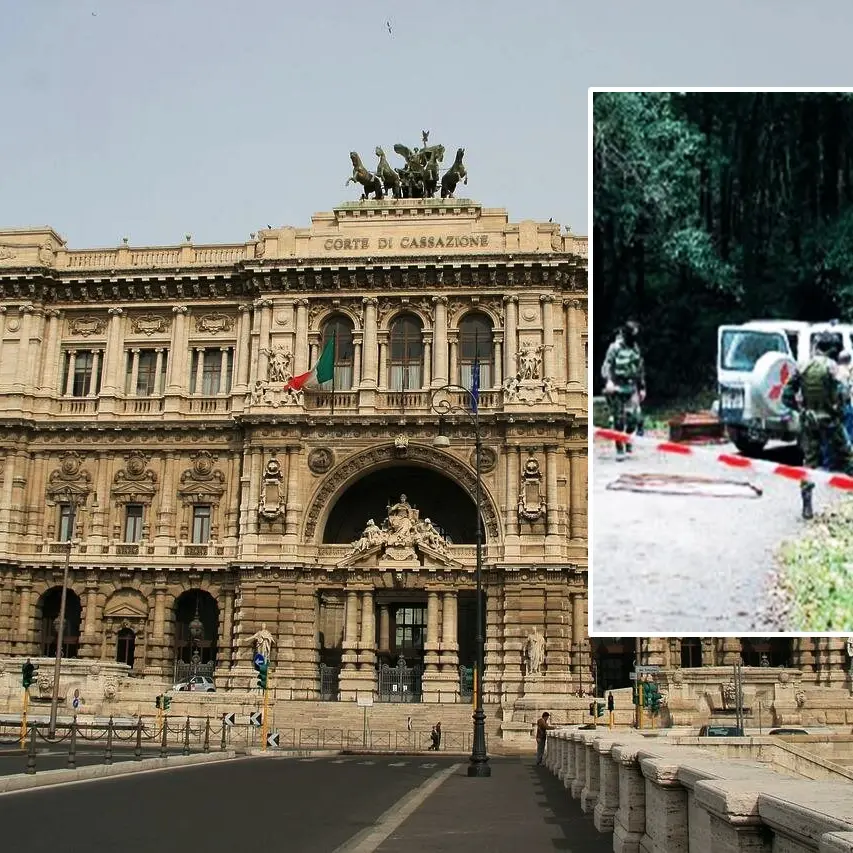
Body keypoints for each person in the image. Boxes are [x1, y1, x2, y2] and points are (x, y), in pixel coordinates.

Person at [781, 333, 853, 519]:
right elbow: (844, 394)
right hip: (830, 422)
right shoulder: (832, 367)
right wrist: (837, 409)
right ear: (830, 349)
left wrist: (801, 410)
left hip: (809, 422)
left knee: (809, 463)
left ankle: (807, 506)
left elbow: (786, 395)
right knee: (847, 458)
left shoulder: (802, 366)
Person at [601, 321, 646, 460]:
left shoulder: (635, 348)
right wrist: (608, 381)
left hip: (631, 386)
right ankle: (620, 448)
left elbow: (639, 368)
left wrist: (642, 387)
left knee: (634, 417)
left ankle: (628, 439)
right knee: (619, 420)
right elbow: (607, 365)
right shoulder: (615, 348)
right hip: (617, 387)